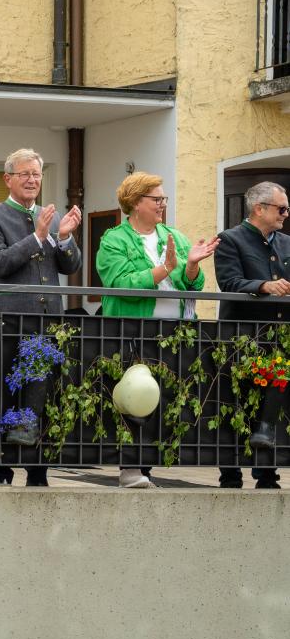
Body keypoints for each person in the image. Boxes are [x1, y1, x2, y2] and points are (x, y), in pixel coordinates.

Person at [97, 171, 218, 488]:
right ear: (136, 203)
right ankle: (130, 469)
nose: (163, 204)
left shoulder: (174, 237)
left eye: (163, 198)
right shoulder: (114, 239)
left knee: (165, 398)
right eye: (156, 199)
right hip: (133, 330)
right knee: (134, 398)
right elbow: (120, 284)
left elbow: (192, 287)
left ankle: (147, 468)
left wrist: (191, 266)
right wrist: (163, 269)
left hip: (174, 332)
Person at [0, 148, 82, 488]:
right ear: (8, 178)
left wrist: (63, 238)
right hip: (10, 322)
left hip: (48, 320)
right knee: (8, 394)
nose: (33, 180)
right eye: (25, 174)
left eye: (37, 174)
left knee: (45, 396)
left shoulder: (50, 216)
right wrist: (36, 236)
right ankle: (1, 471)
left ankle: (38, 471)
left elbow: (70, 267)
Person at [214, 181, 290, 489]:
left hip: (280, 336)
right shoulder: (230, 239)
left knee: (269, 410)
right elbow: (229, 282)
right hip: (242, 337)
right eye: (281, 208)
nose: (286, 214)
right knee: (237, 406)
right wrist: (263, 286)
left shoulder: (286, 242)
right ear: (259, 209)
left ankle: (267, 475)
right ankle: (230, 475)